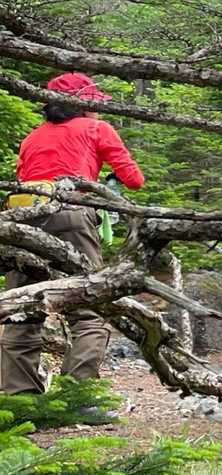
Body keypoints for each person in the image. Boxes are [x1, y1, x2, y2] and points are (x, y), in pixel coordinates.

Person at [2, 73, 144, 400]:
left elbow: (26, 176)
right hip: (71, 216)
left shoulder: (32, 136)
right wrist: (107, 179)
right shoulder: (97, 129)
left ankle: (20, 400)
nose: (97, 108)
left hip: (20, 220)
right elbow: (134, 180)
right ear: (82, 103)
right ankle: (76, 397)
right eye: (93, 101)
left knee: (22, 310)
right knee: (90, 307)